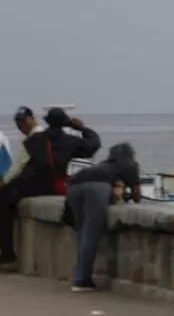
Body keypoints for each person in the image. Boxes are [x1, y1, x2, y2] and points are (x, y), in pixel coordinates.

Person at [0, 107, 100, 271]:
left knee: (4, 201)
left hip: (29, 186)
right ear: (65, 122)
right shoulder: (70, 141)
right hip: (53, 186)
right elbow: (94, 144)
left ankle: (8, 256)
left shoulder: (35, 140)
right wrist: (81, 128)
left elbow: (17, 168)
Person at [65, 143, 143, 292]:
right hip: (97, 187)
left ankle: (80, 275)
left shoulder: (103, 164)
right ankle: (81, 280)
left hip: (74, 185)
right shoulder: (130, 165)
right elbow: (137, 196)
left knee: (82, 231)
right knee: (91, 233)